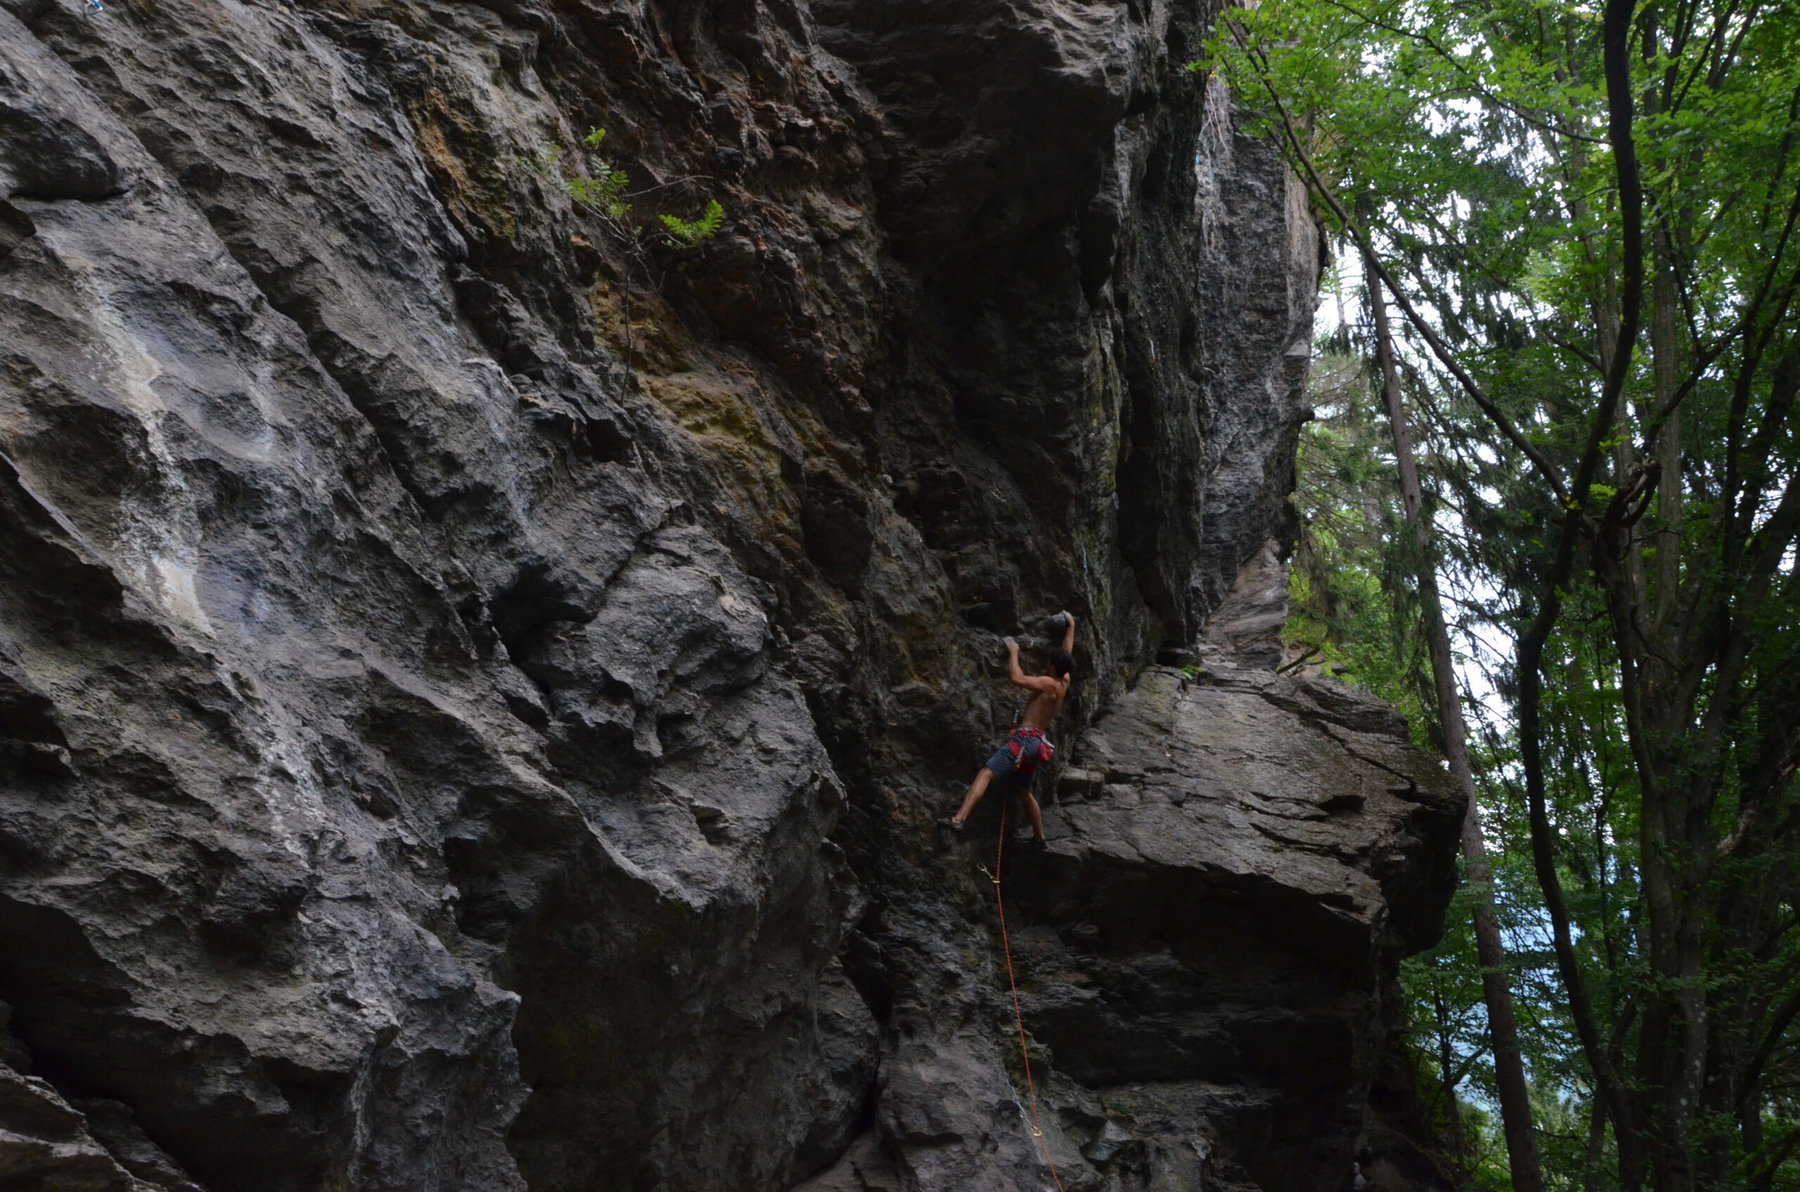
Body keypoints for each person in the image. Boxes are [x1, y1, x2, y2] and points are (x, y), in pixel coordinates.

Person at [945, 611, 1077, 845]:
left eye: (1050, 664)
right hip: (1037, 745)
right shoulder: (1064, 683)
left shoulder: (1048, 683)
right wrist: (1071, 626)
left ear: (1054, 668)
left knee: (985, 773)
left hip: (1024, 742)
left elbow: (1017, 678)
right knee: (1022, 791)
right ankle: (1039, 837)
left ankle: (958, 818)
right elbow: (1067, 653)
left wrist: (1014, 652)